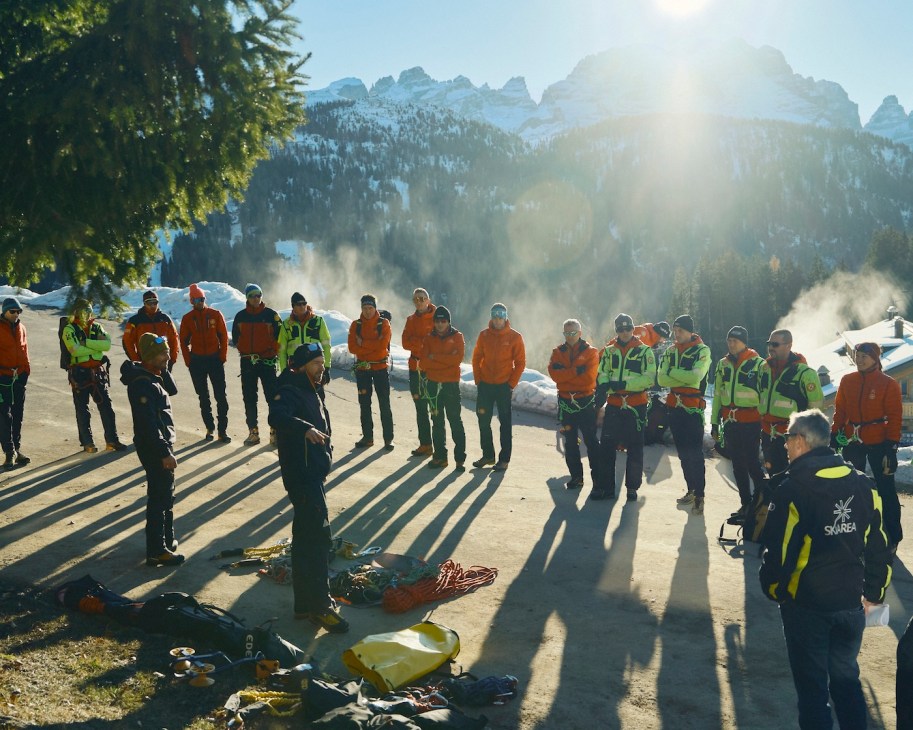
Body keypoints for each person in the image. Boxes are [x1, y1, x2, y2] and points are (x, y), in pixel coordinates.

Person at [760, 409, 892, 730]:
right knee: (847, 681)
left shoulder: (792, 489)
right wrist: (873, 595)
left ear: (802, 442)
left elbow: (779, 554)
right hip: (851, 606)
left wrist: (777, 591)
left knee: (813, 692)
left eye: (788, 438)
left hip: (807, 608)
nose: (784, 446)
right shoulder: (864, 485)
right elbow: (879, 546)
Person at [268, 342, 348, 633]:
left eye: (322, 362)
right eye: (316, 363)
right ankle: (320, 607)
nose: (322, 367)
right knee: (317, 540)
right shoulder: (289, 389)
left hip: (313, 473)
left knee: (304, 539)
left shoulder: (311, 388)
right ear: (301, 366)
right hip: (302, 477)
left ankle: (303, 605)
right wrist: (305, 429)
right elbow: (276, 417)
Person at [830, 342, 903, 549]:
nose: (859, 359)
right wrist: (834, 434)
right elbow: (840, 410)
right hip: (853, 441)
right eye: (857, 355)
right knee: (851, 488)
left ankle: (893, 536)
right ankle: (854, 531)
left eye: (864, 356)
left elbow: (895, 417)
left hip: (879, 443)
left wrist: (891, 448)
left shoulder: (888, 384)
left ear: (875, 358)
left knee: (886, 489)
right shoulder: (847, 380)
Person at [120, 333, 184, 567]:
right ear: (148, 357)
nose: (167, 356)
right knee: (159, 497)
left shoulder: (152, 375)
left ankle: (166, 540)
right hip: (154, 446)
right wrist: (164, 451)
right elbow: (148, 424)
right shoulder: (142, 384)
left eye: (167, 352)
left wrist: (161, 366)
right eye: (162, 354)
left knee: (167, 493)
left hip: (159, 443)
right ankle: (157, 551)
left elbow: (173, 390)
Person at [592, 313, 657, 501]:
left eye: (628, 328)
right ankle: (606, 487)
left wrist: (624, 385)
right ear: (617, 331)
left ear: (633, 328)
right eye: (620, 329)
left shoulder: (645, 352)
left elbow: (649, 378)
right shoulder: (610, 351)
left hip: (636, 405)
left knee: (635, 447)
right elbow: (602, 371)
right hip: (613, 404)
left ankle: (632, 488)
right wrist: (604, 384)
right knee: (607, 446)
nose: (625, 332)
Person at [710, 325, 767, 518]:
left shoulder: (758, 364)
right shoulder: (722, 364)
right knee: (737, 465)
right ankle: (746, 504)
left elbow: (764, 395)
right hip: (730, 423)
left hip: (751, 422)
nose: (731, 343)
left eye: (735, 340)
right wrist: (714, 422)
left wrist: (764, 421)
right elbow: (717, 394)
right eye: (729, 340)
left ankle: (763, 504)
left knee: (752, 463)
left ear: (744, 342)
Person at [657, 314, 712, 515]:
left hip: (693, 409)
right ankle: (690, 489)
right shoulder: (671, 351)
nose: (676, 334)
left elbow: (696, 377)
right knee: (682, 453)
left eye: (680, 331)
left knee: (695, 453)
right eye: (675, 331)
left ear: (690, 331)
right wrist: (682, 378)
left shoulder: (702, 350)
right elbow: (661, 379)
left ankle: (700, 495)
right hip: (675, 408)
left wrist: (673, 374)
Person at [759, 329, 824, 490]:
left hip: (792, 437)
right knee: (774, 476)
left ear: (789, 345)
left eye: (775, 344)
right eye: (769, 344)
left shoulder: (806, 374)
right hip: (768, 434)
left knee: (795, 480)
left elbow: (816, 409)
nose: (770, 348)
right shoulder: (764, 368)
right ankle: (777, 511)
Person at [62, 298, 126, 453]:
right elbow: (75, 350)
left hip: (97, 373)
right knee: (82, 410)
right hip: (79, 373)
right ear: (76, 312)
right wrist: (95, 349)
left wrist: (85, 343)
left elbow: (107, 345)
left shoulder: (97, 327)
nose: (88, 314)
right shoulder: (69, 329)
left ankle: (112, 440)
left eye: (89, 310)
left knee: (107, 408)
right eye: (85, 311)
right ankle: (87, 442)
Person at [471, 303, 526, 471]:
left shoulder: (515, 337)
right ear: (491, 316)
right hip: (485, 385)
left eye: (501, 315)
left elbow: (521, 362)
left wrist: (511, 384)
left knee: (505, 423)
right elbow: (476, 358)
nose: (497, 318)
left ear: (506, 317)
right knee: (483, 421)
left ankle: (504, 460)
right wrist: (478, 380)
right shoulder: (484, 335)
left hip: (503, 386)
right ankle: (488, 455)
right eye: (494, 315)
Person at [548, 319, 600, 490]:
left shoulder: (591, 352)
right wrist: (577, 371)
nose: (570, 336)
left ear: (580, 333)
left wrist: (566, 375)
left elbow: (589, 379)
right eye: (566, 333)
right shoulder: (557, 352)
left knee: (591, 440)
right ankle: (576, 477)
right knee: (570, 442)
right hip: (566, 403)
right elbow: (555, 376)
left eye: (573, 333)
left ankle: (598, 479)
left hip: (585, 402)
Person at [179, 283, 230, 442]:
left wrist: (222, 356)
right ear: (191, 301)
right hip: (197, 361)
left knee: (221, 396)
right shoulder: (187, 319)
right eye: (196, 300)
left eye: (202, 299)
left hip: (215, 359)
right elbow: (183, 341)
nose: (200, 302)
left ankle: (222, 430)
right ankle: (210, 428)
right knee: (203, 397)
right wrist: (189, 361)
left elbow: (223, 336)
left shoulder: (215, 314)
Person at [232, 283, 281, 446]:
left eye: (258, 295)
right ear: (247, 297)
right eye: (252, 295)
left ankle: (275, 431)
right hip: (247, 362)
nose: (256, 298)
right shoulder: (240, 317)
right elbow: (235, 338)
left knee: (272, 397)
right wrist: (245, 350)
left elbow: (280, 338)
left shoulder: (271, 315)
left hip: (267, 362)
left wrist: (271, 352)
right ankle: (253, 432)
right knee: (249, 398)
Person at [421, 306, 466, 470]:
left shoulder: (458, 336)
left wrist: (434, 358)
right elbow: (423, 363)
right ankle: (440, 457)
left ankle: (460, 459)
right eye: (438, 321)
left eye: (443, 321)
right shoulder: (428, 338)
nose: (440, 324)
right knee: (437, 422)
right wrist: (444, 360)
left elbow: (457, 359)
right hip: (433, 385)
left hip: (450, 386)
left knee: (455, 421)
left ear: (448, 322)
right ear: (434, 322)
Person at [348, 294, 394, 450]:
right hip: (363, 369)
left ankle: (388, 439)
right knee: (364, 404)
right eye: (365, 308)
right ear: (361, 308)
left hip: (379, 368)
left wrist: (363, 344)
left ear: (375, 308)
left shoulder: (384, 323)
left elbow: (383, 346)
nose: (367, 311)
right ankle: (368, 437)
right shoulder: (356, 325)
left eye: (370, 308)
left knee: (384, 404)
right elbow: (352, 347)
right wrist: (372, 345)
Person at [402, 288, 436, 457]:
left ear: (428, 300)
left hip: (431, 369)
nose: (419, 301)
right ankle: (425, 444)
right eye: (416, 299)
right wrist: (423, 343)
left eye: (422, 298)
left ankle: (440, 449)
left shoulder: (438, 318)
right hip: (415, 367)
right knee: (420, 406)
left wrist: (418, 343)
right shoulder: (410, 320)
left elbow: (437, 343)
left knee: (435, 407)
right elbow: (404, 343)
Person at [0, 298, 30, 468]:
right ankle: (9, 452)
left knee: (18, 415)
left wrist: (26, 371)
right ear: (5, 311)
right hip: (2, 378)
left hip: (19, 377)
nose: (16, 314)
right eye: (13, 311)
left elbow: (25, 350)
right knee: (4, 417)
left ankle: (17, 450)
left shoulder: (22, 328)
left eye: (19, 311)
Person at [122, 290, 179, 371]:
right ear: (144, 304)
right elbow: (127, 341)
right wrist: (136, 360)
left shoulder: (165, 319)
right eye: (149, 303)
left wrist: (172, 359)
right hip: (145, 364)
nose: (152, 306)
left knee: (168, 384)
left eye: (155, 302)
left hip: (164, 362)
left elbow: (174, 339)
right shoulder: (135, 321)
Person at [278, 291, 331, 376]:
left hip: (314, 364)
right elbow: (282, 350)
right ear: (293, 306)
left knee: (315, 389)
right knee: (294, 389)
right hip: (295, 366)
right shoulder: (286, 324)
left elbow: (326, 345)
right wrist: (284, 371)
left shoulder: (318, 321)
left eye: (304, 303)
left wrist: (327, 367)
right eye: (299, 304)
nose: (302, 306)